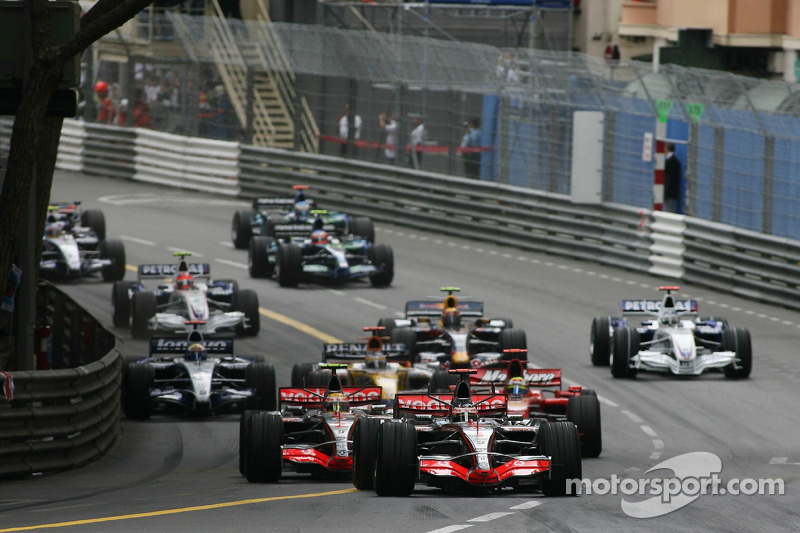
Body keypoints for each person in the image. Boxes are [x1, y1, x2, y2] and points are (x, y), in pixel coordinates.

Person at [664, 142, 681, 213]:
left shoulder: (670, 161)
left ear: (666, 148)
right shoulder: (675, 161)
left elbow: (669, 179)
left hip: (669, 191)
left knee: (669, 209)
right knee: (669, 208)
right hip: (671, 191)